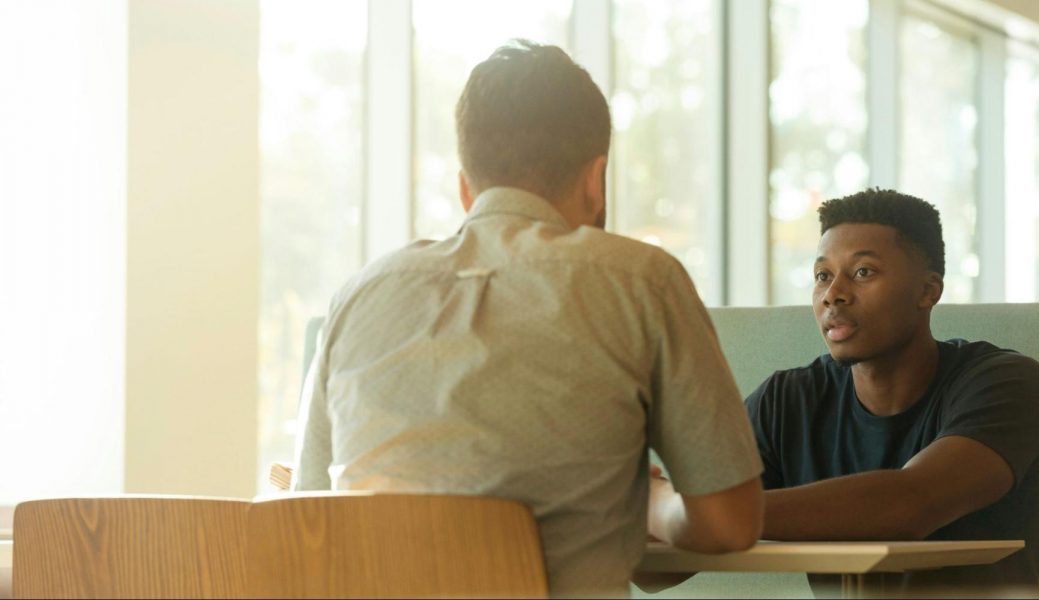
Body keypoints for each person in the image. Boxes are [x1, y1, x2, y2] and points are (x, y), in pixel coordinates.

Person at [291, 40, 763, 598]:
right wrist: (653, 504)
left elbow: (306, 518)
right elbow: (730, 524)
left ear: (467, 187)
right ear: (597, 179)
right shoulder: (642, 281)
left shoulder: (358, 296)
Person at [744, 188, 1039, 596]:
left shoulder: (1007, 384)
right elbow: (658, 571)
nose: (832, 294)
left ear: (928, 291)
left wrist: (706, 513)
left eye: (863, 273)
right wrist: (659, 505)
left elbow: (909, 506)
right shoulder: (785, 401)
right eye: (822, 275)